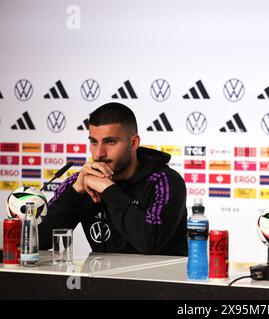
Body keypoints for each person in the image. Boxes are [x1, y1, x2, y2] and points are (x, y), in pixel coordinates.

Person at [39, 102, 187, 256]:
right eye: (94, 142)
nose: (98, 154)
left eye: (110, 142)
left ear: (133, 143)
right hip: (101, 278)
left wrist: (108, 190)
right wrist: (75, 192)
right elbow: (39, 241)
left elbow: (149, 242)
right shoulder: (81, 182)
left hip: (158, 279)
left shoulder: (165, 181)